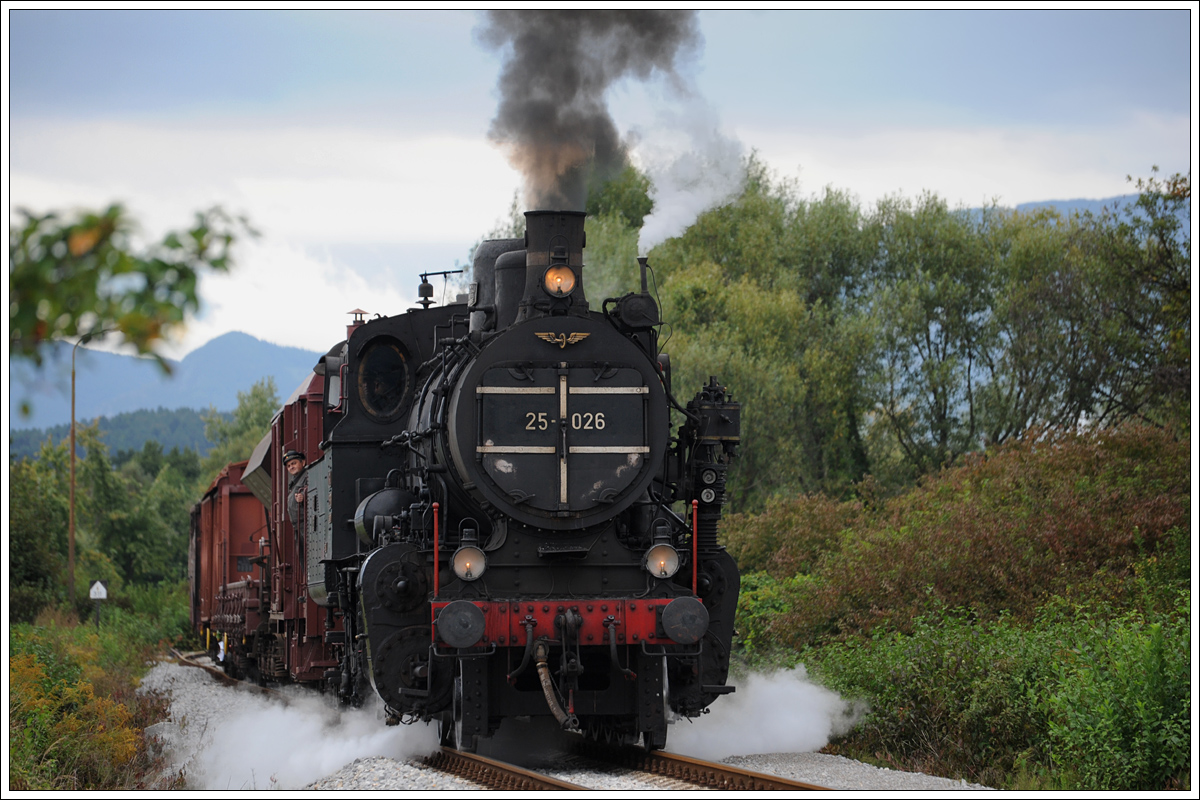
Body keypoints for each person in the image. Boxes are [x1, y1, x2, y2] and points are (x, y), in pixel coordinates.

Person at [284, 450, 307, 526]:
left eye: (294, 463)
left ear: (303, 463)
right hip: (298, 525)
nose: (291, 467)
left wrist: (303, 495)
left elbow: (313, 489)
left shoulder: (307, 475)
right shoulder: (294, 481)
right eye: (288, 466)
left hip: (306, 523)